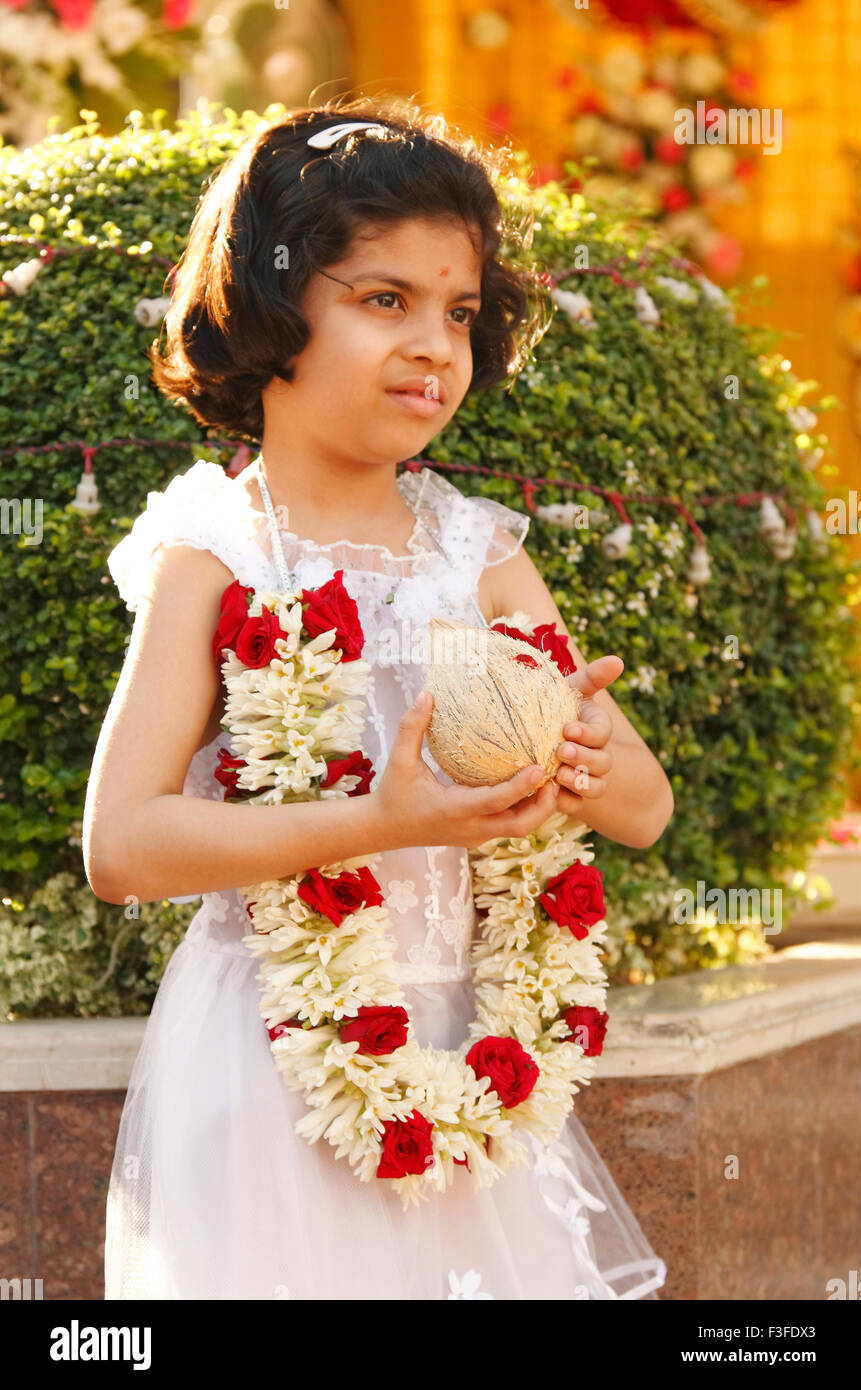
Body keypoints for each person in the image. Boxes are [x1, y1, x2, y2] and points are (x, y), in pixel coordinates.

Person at [84, 98, 674, 1300]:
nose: (434, 346)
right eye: (382, 299)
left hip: (473, 1056)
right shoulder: (219, 552)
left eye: (457, 312)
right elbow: (123, 845)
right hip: (275, 1067)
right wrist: (384, 823)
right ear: (270, 309)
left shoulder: (479, 553)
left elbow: (643, 808)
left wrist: (591, 750)